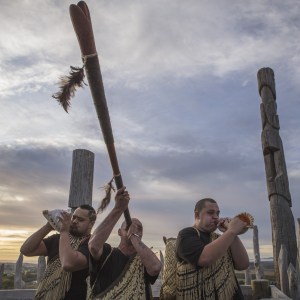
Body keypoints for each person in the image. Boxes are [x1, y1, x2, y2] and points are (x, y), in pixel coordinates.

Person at [88, 186, 162, 300]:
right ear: (119, 232)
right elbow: (93, 245)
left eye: (139, 228)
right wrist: (118, 209)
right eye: (128, 226)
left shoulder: (144, 260)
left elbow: (156, 267)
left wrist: (134, 236)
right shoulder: (107, 252)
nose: (135, 229)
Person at [176, 198, 249, 300]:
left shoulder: (223, 238)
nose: (216, 217)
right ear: (197, 215)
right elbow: (204, 258)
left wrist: (231, 232)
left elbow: (243, 264)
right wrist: (231, 231)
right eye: (210, 213)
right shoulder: (186, 234)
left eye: (217, 213)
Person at [20, 204, 96, 300]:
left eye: (80, 220)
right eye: (74, 217)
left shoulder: (92, 245)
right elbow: (26, 250)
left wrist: (64, 231)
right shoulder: (57, 239)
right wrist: (48, 226)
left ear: (91, 224)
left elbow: (68, 264)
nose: (75, 221)